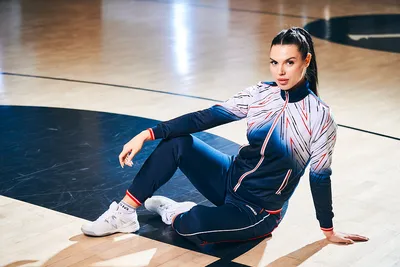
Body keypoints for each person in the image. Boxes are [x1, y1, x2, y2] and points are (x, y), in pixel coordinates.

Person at [81, 27, 368, 245]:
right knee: (177, 143)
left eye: (289, 63)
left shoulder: (320, 117)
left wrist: (327, 230)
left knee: (189, 225)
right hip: (229, 177)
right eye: (274, 62)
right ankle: (125, 213)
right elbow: (204, 117)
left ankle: (176, 211)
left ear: (306, 61)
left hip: (257, 210)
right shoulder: (261, 93)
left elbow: (319, 178)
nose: (280, 71)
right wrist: (148, 133)